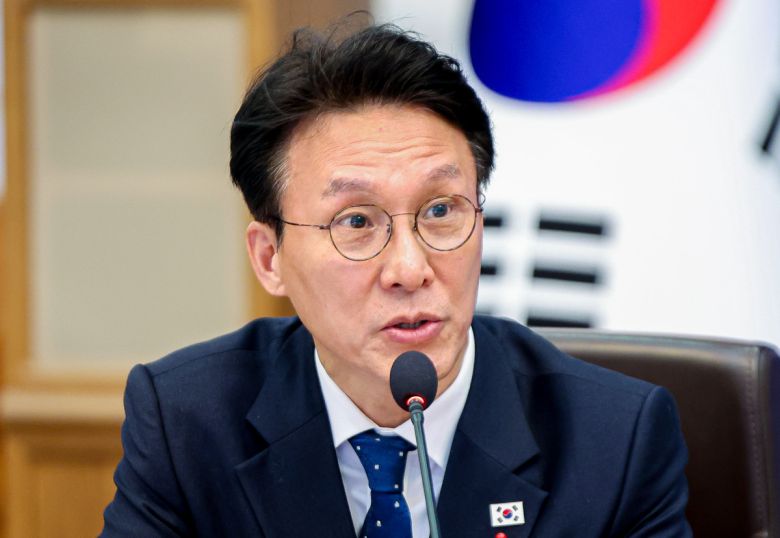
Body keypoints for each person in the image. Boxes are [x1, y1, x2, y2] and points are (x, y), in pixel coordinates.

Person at [101, 23, 691, 537]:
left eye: (441, 210)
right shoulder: (189, 424)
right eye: (357, 222)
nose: (410, 269)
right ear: (270, 257)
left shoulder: (613, 440)